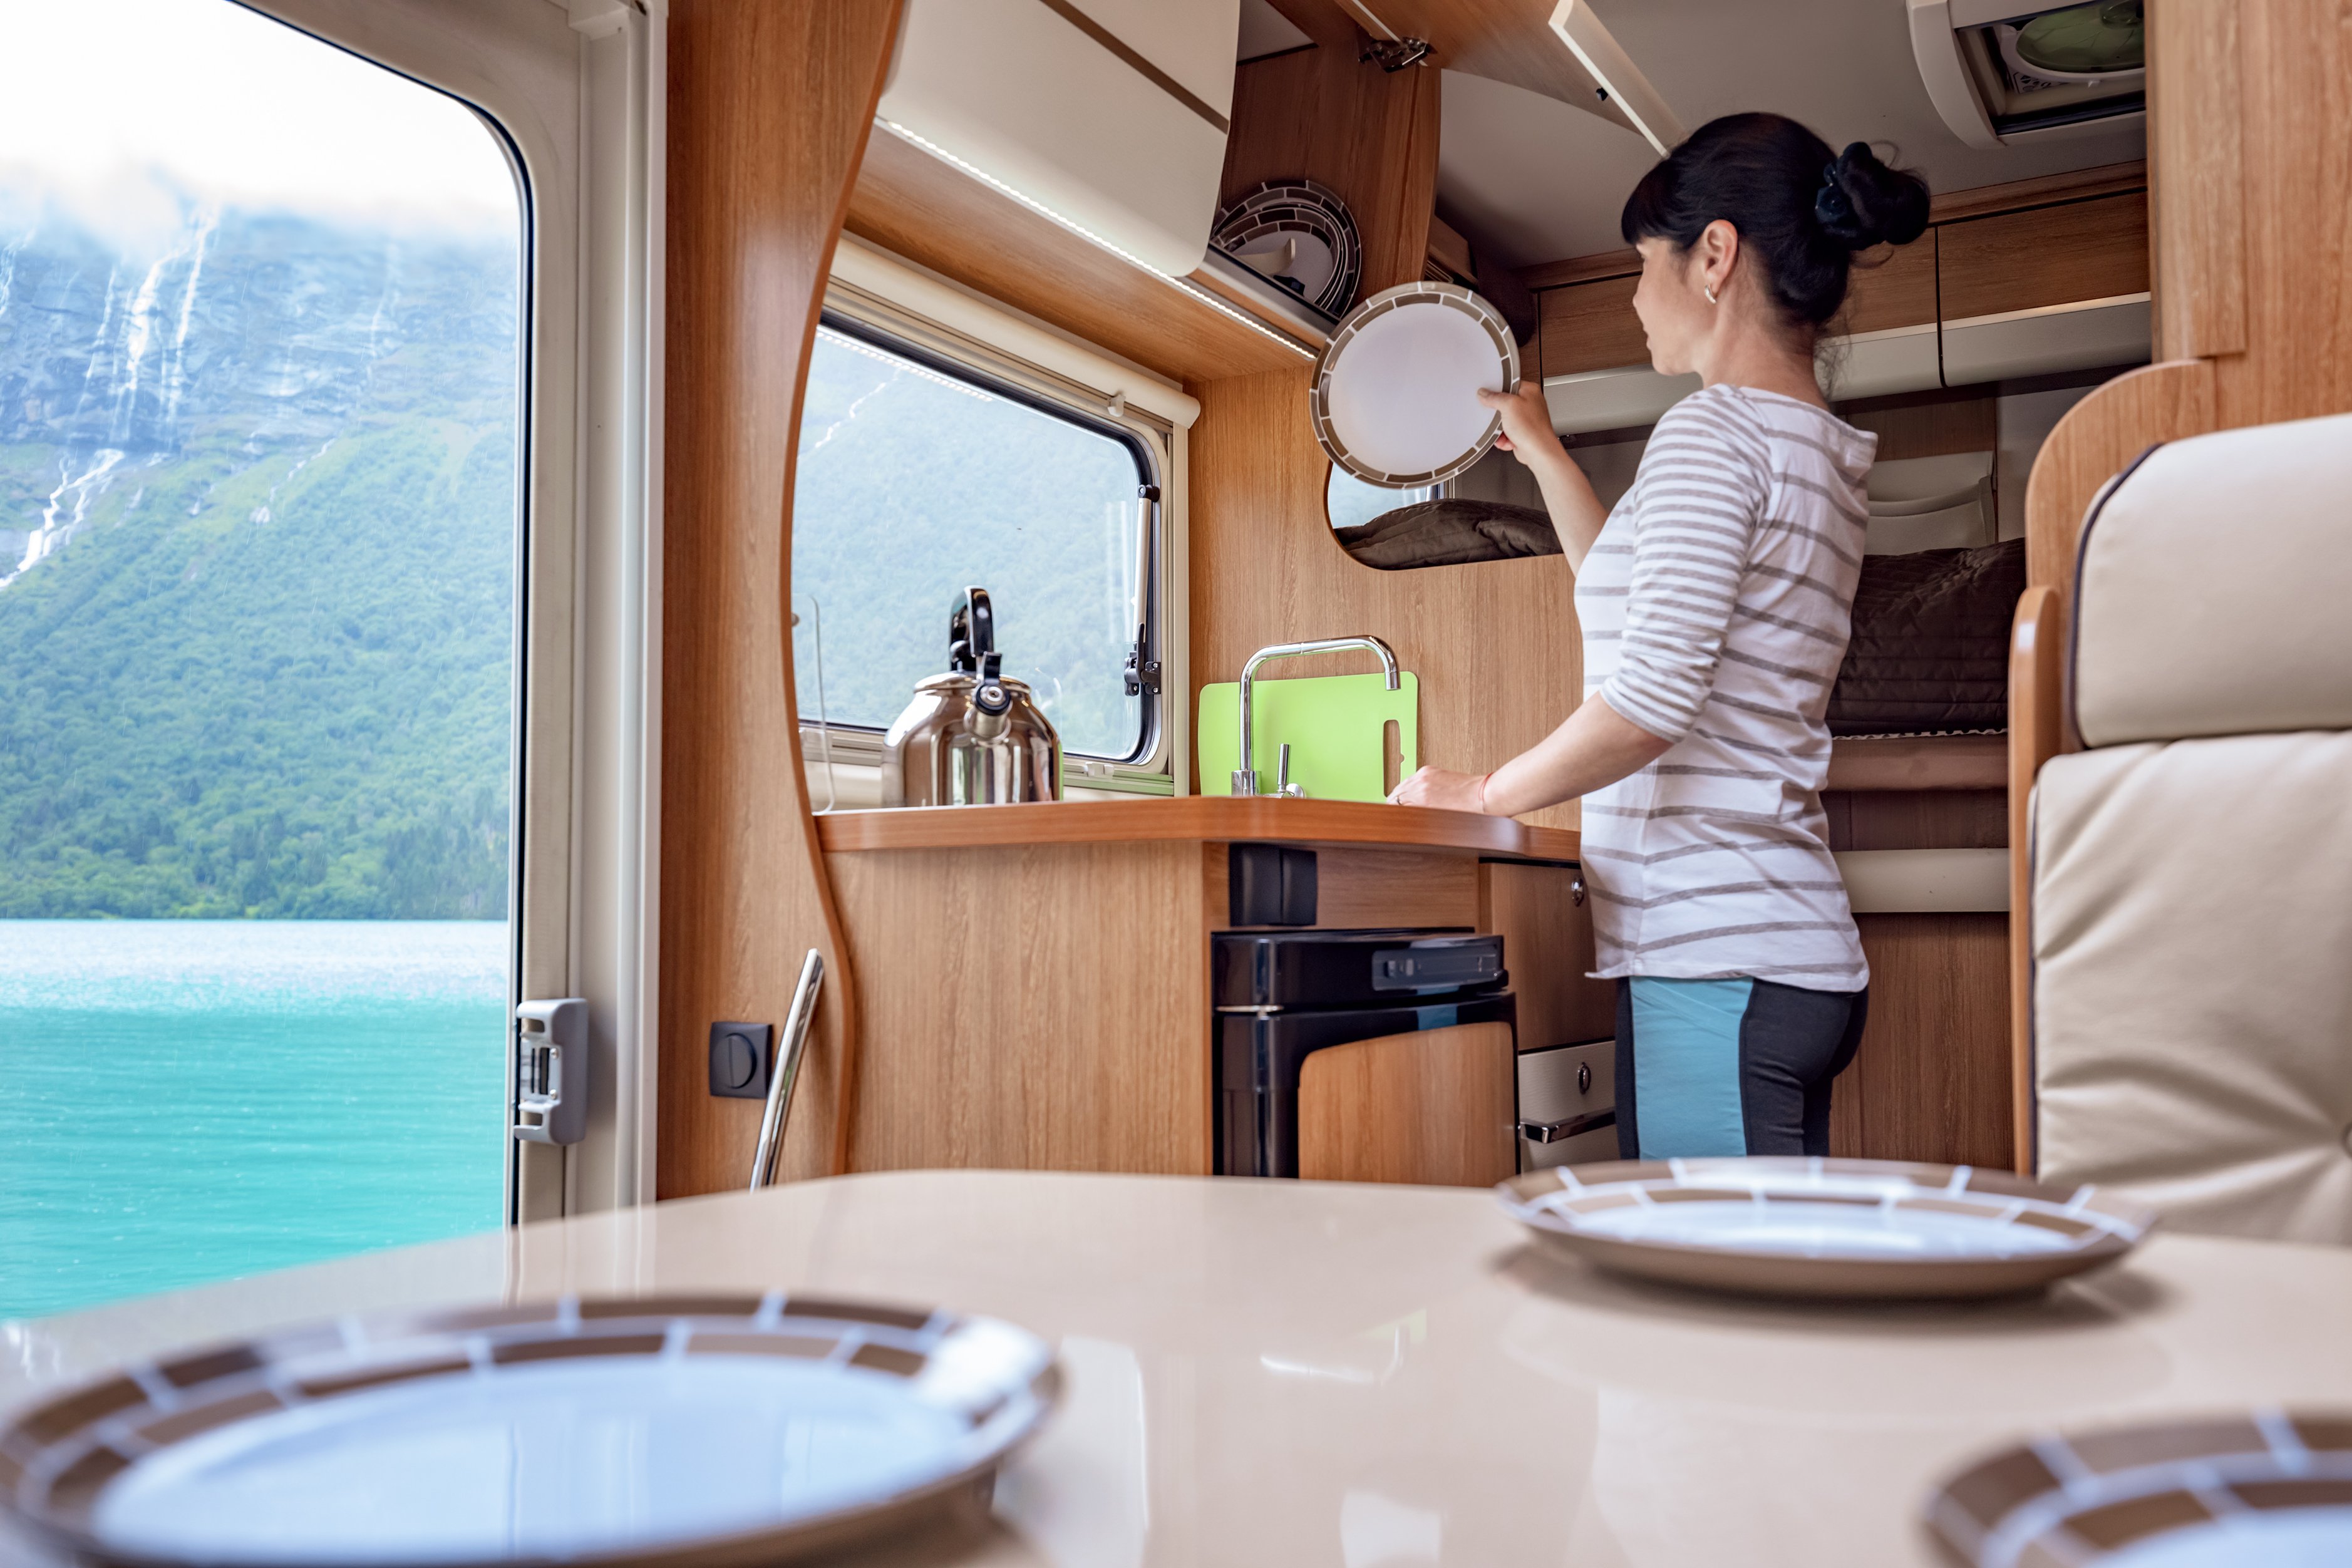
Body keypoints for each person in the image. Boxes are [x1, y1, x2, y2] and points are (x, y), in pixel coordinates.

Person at [1390, 113, 1930, 1159]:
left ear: (1714, 256)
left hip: (1715, 959)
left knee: (1716, 1302)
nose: (1638, 295)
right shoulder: (1812, 448)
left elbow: (1649, 703)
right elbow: (1645, 611)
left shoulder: (1714, 433)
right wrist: (1545, 456)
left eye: (1646, 264)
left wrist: (1481, 794)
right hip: (1782, 958)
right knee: (1758, 1296)